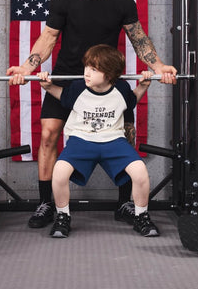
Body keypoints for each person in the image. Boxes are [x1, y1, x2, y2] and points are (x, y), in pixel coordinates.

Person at [7, 0, 177, 229]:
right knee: (48, 135)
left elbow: (139, 39)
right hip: (68, 78)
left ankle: (126, 203)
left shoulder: (122, 1)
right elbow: (48, 39)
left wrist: (159, 66)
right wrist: (26, 67)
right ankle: (47, 203)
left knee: (125, 135)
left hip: (108, 80)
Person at [37, 44, 159, 238]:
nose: (86, 73)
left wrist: (143, 85)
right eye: (86, 67)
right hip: (81, 140)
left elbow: (131, 100)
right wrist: (47, 85)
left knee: (140, 172)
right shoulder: (77, 88)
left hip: (113, 141)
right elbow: (62, 96)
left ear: (109, 74)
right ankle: (62, 217)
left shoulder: (121, 88)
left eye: (93, 70)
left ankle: (141, 217)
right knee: (59, 171)